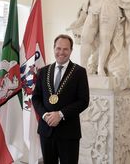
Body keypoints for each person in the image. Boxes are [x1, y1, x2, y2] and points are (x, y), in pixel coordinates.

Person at [32, 34, 90, 164]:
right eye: (58, 48)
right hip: (46, 131)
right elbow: (36, 98)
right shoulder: (43, 71)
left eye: (65, 49)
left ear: (71, 50)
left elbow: (83, 101)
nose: (61, 52)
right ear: (54, 48)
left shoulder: (79, 72)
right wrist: (45, 115)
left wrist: (60, 114)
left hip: (69, 132)